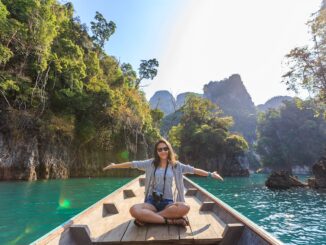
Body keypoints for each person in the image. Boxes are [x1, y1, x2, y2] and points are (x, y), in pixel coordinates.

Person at [103, 138, 223, 227]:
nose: (163, 151)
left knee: (185, 207)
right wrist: (114, 166)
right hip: (152, 202)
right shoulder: (150, 163)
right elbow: (132, 164)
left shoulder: (176, 166)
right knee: (134, 210)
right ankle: (171, 221)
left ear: (169, 150)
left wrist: (210, 174)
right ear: (157, 151)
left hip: (168, 203)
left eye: (165, 148)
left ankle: (149, 218)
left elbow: (194, 170)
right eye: (160, 149)